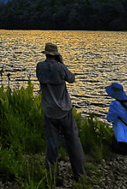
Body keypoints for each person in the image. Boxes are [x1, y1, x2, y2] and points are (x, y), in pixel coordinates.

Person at [36, 43, 85, 180]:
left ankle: (50, 175)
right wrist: (61, 63)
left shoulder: (40, 66)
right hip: (64, 110)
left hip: (49, 111)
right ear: (56, 54)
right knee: (73, 141)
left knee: (51, 144)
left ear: (45, 54)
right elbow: (71, 79)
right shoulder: (60, 67)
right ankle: (80, 174)